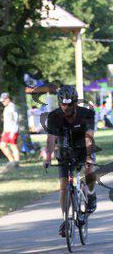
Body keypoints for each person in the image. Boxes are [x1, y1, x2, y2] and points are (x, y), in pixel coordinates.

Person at [43, 85, 97, 237]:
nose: (66, 108)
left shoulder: (86, 114)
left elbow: (89, 137)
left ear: (75, 103)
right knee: (63, 186)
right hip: (64, 151)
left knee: (89, 169)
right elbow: (51, 138)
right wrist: (48, 158)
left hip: (83, 149)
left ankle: (90, 193)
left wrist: (88, 157)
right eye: (63, 104)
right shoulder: (53, 116)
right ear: (59, 103)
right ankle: (65, 220)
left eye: (70, 104)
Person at [0, 92, 20, 170]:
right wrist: (4, 131)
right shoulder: (6, 108)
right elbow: (6, 121)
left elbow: (16, 120)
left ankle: (16, 163)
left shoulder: (13, 107)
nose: (2, 102)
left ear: (7, 99)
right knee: (2, 145)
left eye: (3, 100)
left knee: (13, 146)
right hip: (7, 130)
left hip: (13, 130)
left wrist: (13, 132)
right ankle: (12, 161)